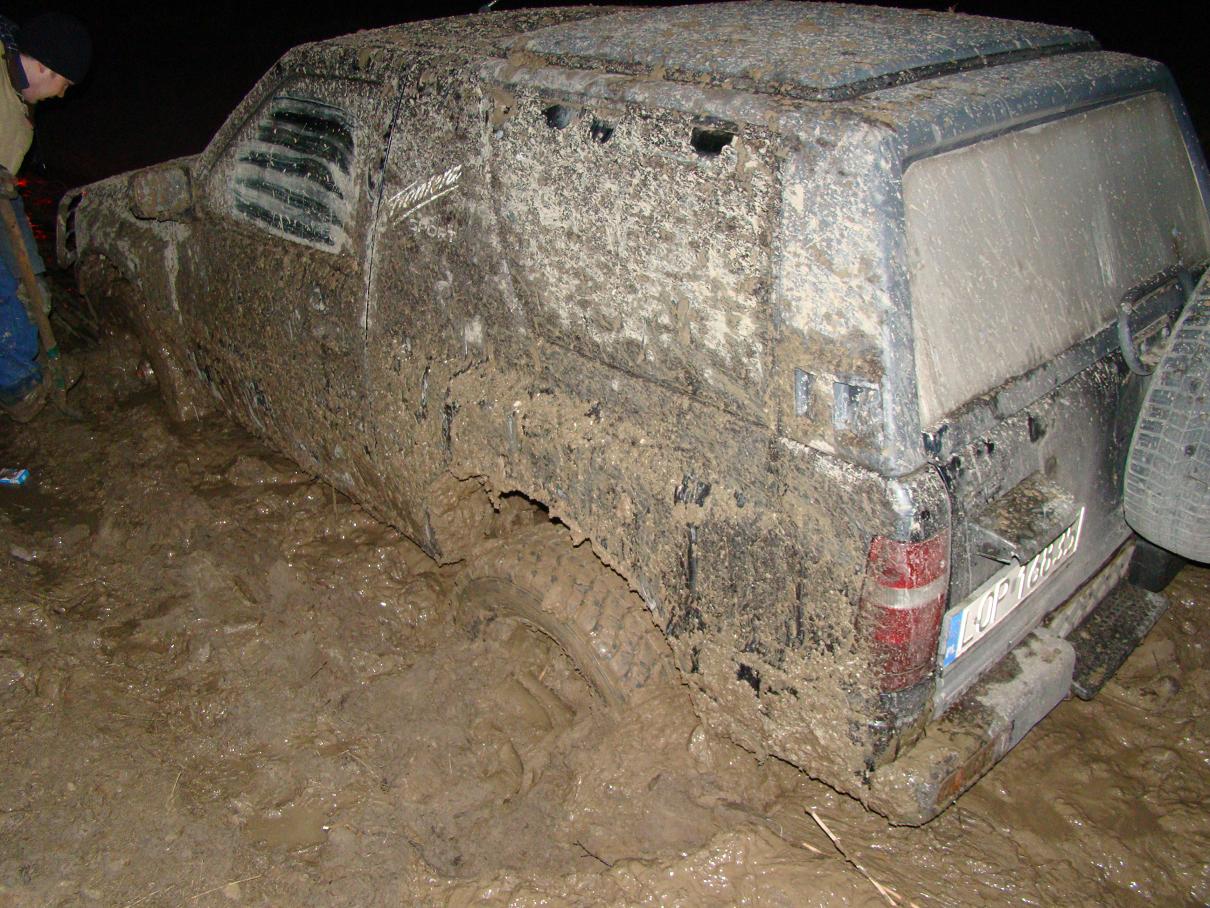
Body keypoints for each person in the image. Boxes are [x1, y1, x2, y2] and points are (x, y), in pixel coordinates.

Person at [0, 11, 90, 420]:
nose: (62, 95)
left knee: (33, 286)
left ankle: (37, 363)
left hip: (5, 199)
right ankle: (17, 388)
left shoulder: (21, 106)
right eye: (64, 84)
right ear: (43, 67)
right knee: (3, 290)